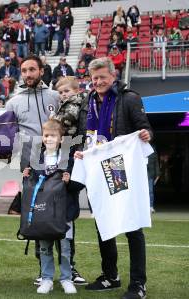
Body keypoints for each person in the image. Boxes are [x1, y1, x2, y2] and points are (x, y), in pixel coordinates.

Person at [73, 57, 152, 299]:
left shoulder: (129, 98)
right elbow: (83, 134)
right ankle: (110, 276)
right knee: (103, 222)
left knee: (132, 226)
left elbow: (144, 126)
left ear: (113, 76)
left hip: (121, 167)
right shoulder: (88, 101)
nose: (98, 82)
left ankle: (138, 283)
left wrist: (146, 134)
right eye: (94, 78)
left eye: (102, 77)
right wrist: (81, 150)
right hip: (97, 168)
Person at [5, 55, 60, 283]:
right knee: (38, 216)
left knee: (62, 214)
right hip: (31, 167)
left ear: (42, 70)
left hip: (58, 164)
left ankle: (71, 267)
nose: (27, 74)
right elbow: (8, 135)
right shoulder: (13, 102)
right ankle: (43, 270)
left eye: (32, 70)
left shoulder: (55, 97)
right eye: (24, 71)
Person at [23, 119, 81, 294]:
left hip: (64, 212)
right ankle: (46, 278)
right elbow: (32, 188)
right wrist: (26, 177)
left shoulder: (69, 159)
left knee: (65, 248)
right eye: (46, 135)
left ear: (61, 139)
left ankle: (66, 278)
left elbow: (79, 184)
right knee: (45, 247)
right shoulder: (35, 160)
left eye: (53, 135)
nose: (49, 138)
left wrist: (70, 181)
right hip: (43, 213)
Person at [52, 76, 89, 285]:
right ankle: (48, 268)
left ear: (76, 91)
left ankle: (69, 267)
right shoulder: (65, 106)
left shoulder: (75, 105)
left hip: (71, 160)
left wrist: (52, 123)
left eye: (67, 91)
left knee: (67, 216)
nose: (64, 95)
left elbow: (61, 126)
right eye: (61, 92)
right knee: (54, 216)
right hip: (61, 160)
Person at [147, 148, 160, 213]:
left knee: (150, 191)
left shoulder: (153, 149)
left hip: (150, 174)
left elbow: (156, 163)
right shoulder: (138, 147)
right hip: (141, 173)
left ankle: (151, 206)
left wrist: (158, 174)